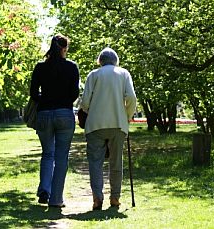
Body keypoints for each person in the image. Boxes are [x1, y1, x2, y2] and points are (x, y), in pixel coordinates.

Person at [80, 47, 137, 210]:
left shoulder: (93, 75)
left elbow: (84, 103)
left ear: (100, 61)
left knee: (95, 163)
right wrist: (127, 115)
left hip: (95, 125)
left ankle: (97, 198)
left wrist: (91, 110)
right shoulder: (124, 73)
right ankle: (115, 197)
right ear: (116, 61)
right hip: (118, 124)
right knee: (116, 162)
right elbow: (131, 98)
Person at [30, 34, 80, 208]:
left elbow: (34, 94)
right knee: (61, 157)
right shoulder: (72, 67)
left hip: (44, 115)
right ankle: (56, 199)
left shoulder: (40, 68)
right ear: (65, 48)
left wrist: (46, 98)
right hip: (64, 114)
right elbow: (74, 94)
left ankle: (44, 188)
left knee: (47, 154)